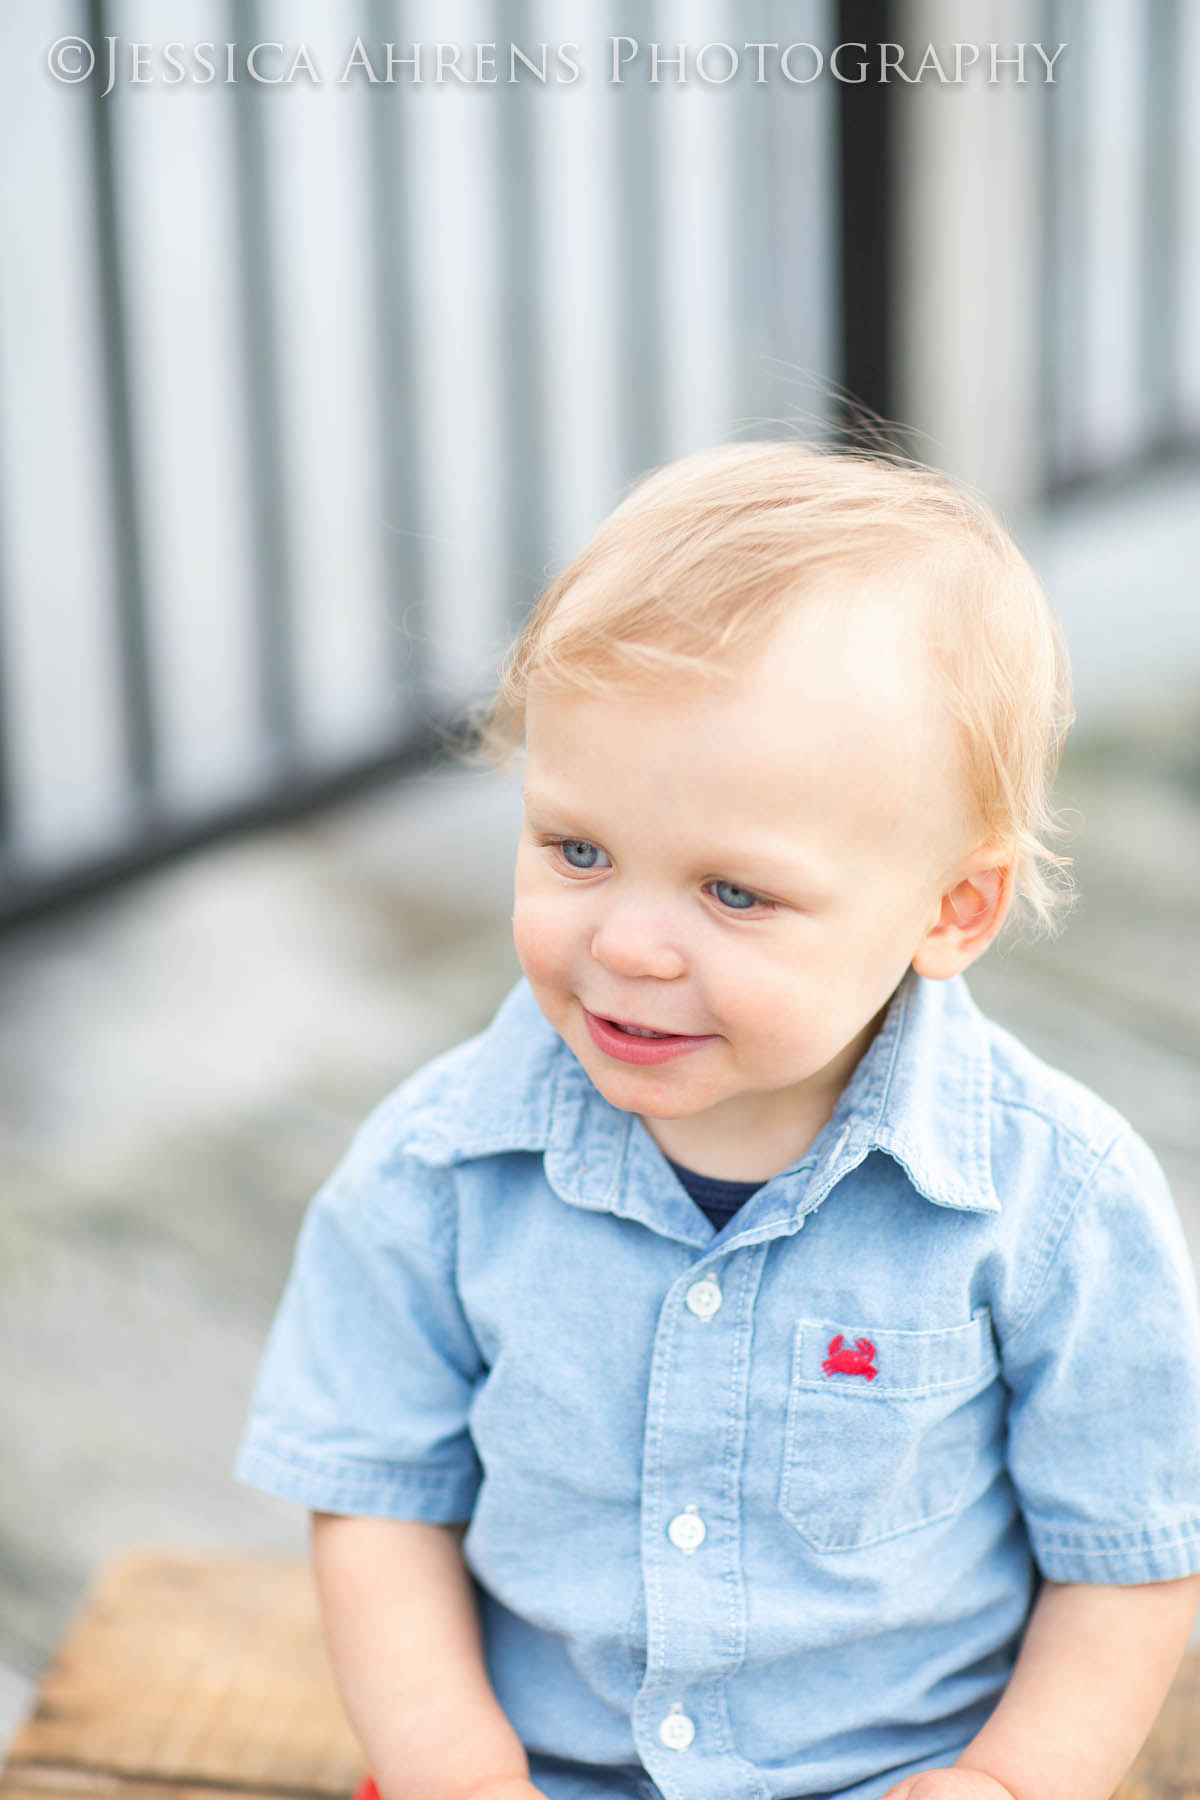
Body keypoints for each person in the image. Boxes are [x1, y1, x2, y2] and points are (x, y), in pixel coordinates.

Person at [235, 441, 1200, 1800]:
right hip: (538, 1768)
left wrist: (1011, 1781)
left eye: (735, 894)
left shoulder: (1055, 1202)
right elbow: (378, 1498)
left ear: (950, 911)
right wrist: (453, 1765)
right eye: (578, 850)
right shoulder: (437, 1167)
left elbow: (1131, 1552)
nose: (627, 944)